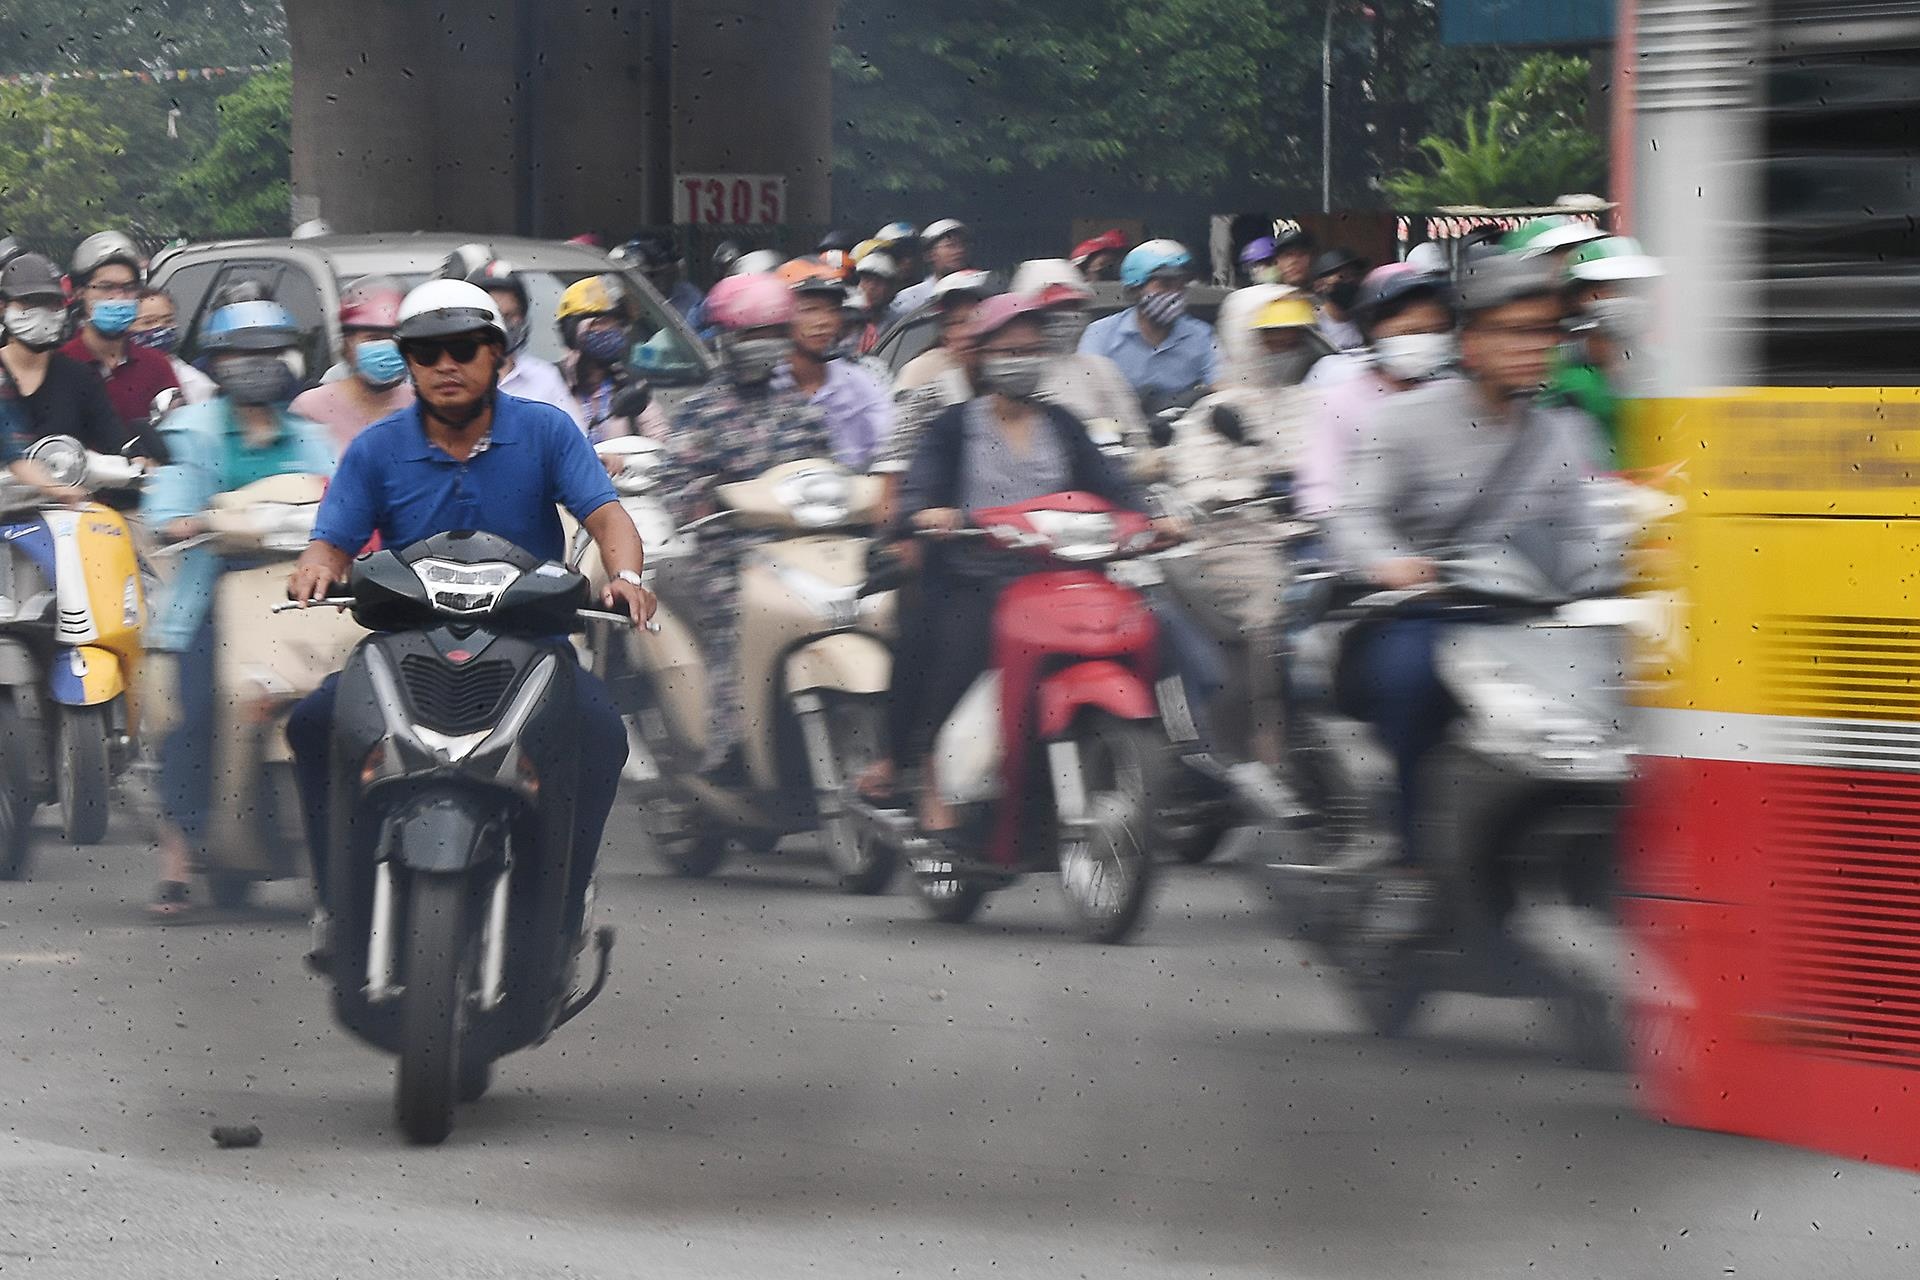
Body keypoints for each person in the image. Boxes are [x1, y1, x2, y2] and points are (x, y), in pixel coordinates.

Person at [284, 280, 653, 941]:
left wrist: (625, 577)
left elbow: (607, 517)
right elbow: (331, 541)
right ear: (409, 363)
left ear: (498, 355)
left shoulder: (546, 430)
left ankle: (562, 907)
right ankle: (338, 900)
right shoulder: (375, 447)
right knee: (314, 724)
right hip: (403, 648)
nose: (445, 366)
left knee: (601, 735)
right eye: (427, 353)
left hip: (531, 647)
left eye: (463, 349)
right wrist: (318, 567)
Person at [1328, 251, 1611, 923]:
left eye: (1544, 332)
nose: (1534, 347)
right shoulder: (1403, 421)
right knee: (1412, 683)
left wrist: (1617, 564)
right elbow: (1356, 517)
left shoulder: (1563, 432)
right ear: (1472, 343)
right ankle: (1410, 856)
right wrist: (1394, 563)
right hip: (1426, 613)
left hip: (1528, 618)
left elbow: (1586, 528)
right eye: (1515, 331)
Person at [888, 294, 1178, 830]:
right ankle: (935, 785)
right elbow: (917, 491)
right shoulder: (953, 426)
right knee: (956, 659)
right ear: (983, 355)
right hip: (980, 580)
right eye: (1008, 351)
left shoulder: (1064, 424)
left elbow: (1113, 486)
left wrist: (1153, 519)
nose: (1020, 360)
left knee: (1156, 635)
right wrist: (929, 512)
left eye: (1031, 350)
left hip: (1064, 577)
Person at [143, 300, 337, 918]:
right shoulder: (190, 430)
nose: (256, 365)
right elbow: (169, 505)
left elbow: (338, 499)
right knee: (195, 712)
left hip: (299, 595)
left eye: (269, 352)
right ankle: (177, 863)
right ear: (217, 363)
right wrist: (192, 520)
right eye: (241, 354)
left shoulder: (309, 435)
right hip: (213, 594)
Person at [650, 273, 836, 775]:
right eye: (753, 335)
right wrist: (706, 501)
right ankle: (729, 747)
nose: (764, 345)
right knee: (735, 620)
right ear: (728, 339)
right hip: (726, 557)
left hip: (797, 554)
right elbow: (674, 484)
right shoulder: (700, 414)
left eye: (773, 334)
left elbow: (826, 474)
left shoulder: (800, 412)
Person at [1159, 289, 1323, 764]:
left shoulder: (1313, 402)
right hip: (1237, 537)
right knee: (1271, 612)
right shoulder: (1214, 413)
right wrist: (1241, 489)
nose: (1284, 346)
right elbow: (1195, 485)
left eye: (1292, 336)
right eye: (1272, 337)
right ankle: (1267, 746)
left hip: (1313, 534)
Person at [1297, 264, 1459, 518]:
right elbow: (1321, 490)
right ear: (1373, 331)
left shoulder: (1454, 395)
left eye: (1435, 331)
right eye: (1410, 332)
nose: (1425, 340)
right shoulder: (1342, 401)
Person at [1008, 258, 1150, 451]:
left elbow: (1138, 439)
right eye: (1054, 308)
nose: (1065, 317)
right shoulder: (1013, 376)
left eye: (1072, 306)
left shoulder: (1101, 370)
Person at [0, 253, 130, 456]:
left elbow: (117, 441)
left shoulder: (79, 377)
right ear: (3, 306)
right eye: (29, 302)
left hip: (69, 475)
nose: (42, 312)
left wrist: (136, 458)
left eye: (53, 303)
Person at [62, 230, 177, 459]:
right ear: (80, 292)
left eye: (128, 287)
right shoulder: (61, 365)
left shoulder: (157, 365)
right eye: (106, 287)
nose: (119, 297)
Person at [1549, 236, 1663, 461]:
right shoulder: (1553, 371)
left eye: (1635, 289)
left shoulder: (1664, 366)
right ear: (1577, 299)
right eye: (1611, 288)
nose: (1626, 299)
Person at [773, 258, 894, 470]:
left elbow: (888, 443)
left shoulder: (858, 383)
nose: (823, 321)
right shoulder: (766, 384)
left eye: (832, 310)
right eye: (809, 309)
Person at [1077, 239, 1220, 403]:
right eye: (1165, 284)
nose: (1175, 293)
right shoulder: (1100, 333)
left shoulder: (1202, 335)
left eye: (1181, 285)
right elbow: (1085, 392)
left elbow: (1220, 385)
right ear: (1135, 289)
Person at [289, 275, 416, 454]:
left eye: (395, 338)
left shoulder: (420, 404)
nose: (388, 346)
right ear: (348, 342)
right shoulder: (311, 408)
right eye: (373, 338)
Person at [464, 258, 589, 433]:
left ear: (522, 318)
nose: (501, 326)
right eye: (490, 316)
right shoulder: (451, 375)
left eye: (509, 316)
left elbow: (574, 439)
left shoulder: (545, 378)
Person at [557, 273, 670, 441]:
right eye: (600, 322)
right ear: (571, 331)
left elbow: (659, 434)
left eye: (617, 324)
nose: (611, 330)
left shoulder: (628, 383)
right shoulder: (553, 383)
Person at [131, 287, 216, 404]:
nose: (160, 328)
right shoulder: (110, 374)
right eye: (148, 322)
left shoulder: (194, 384)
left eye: (168, 321)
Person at [893, 218, 970, 314]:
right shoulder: (908, 299)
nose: (960, 250)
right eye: (950, 245)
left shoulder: (981, 289)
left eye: (963, 244)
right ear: (929, 254)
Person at [1308, 248, 1369, 351]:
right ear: (1320, 285)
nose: (1351, 281)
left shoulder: (1368, 318)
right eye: (1343, 276)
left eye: (1355, 275)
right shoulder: (1313, 326)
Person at [851, 251, 908, 349]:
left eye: (878, 282)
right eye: (867, 280)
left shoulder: (899, 323)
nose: (871, 287)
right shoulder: (847, 319)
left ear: (891, 288)